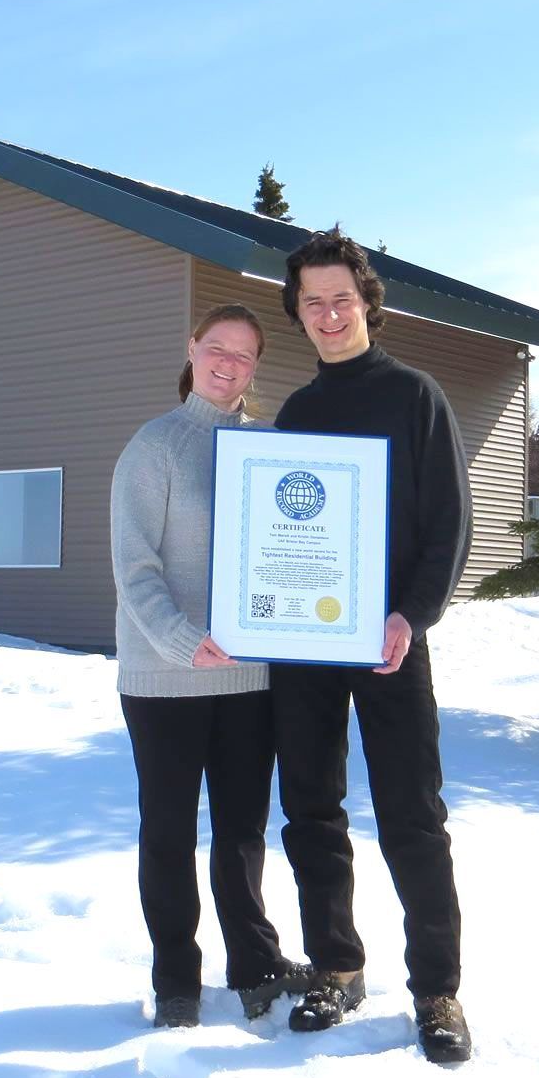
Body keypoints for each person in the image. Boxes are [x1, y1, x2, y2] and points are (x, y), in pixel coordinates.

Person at [269, 229, 474, 1064]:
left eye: (339, 299)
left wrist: (410, 616)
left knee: (412, 818)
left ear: (367, 305)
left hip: (389, 642)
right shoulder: (298, 412)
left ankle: (438, 989)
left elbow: (449, 525)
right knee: (311, 809)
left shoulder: (414, 396)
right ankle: (336, 966)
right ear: (299, 312)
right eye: (311, 301)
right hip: (305, 645)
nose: (326, 314)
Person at [109, 303, 310, 1029]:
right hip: (165, 677)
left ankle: (255, 966)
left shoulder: (270, 450)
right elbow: (134, 569)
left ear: (256, 367)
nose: (229, 364)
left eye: (245, 355)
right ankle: (176, 983)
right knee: (167, 830)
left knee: (243, 830)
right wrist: (180, 638)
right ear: (192, 350)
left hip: (248, 677)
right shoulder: (155, 446)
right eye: (217, 349)